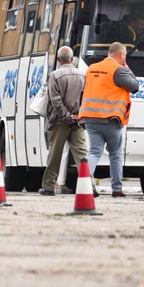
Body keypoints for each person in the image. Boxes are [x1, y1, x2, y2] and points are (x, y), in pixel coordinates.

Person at [79, 42, 139, 197]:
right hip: (110, 118)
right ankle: (117, 189)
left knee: (94, 151)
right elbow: (134, 86)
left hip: (90, 118)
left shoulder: (91, 69)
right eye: (124, 55)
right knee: (115, 154)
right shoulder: (118, 70)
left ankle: (84, 183)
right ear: (120, 55)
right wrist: (127, 67)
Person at [38, 46, 87, 196]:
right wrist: (77, 116)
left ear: (59, 60)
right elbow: (85, 98)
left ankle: (48, 187)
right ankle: (88, 186)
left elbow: (56, 101)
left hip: (59, 122)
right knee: (82, 154)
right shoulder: (83, 75)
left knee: (55, 154)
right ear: (72, 59)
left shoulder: (54, 76)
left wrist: (66, 117)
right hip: (77, 121)